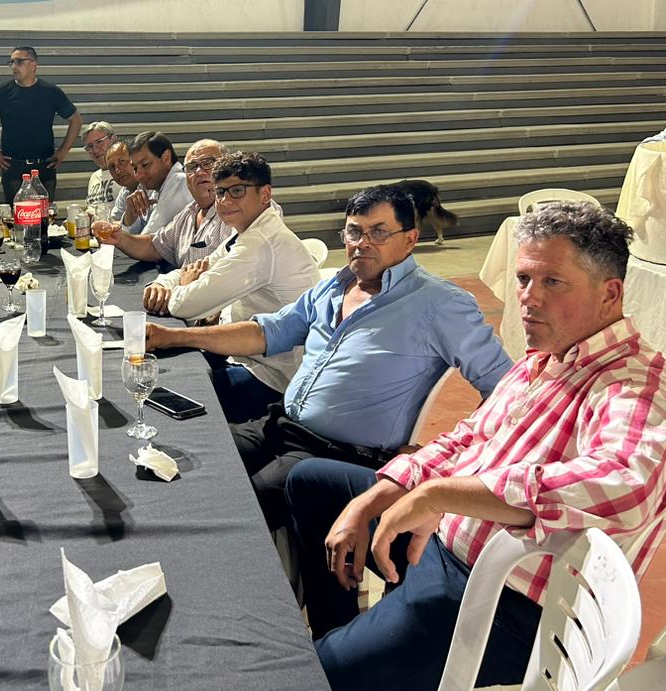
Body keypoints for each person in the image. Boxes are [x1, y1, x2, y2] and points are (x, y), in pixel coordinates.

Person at [285, 202, 666, 691]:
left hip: (506, 599)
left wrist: (439, 496)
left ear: (610, 294)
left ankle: (343, 674)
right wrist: (382, 494)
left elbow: (625, 485)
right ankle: (350, 657)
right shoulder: (544, 359)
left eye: (553, 282)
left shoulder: (637, 385)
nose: (529, 297)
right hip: (446, 544)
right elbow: (467, 438)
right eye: (523, 279)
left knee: (311, 682)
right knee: (313, 482)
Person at [147, 184, 512, 531]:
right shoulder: (335, 286)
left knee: (231, 505)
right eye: (354, 232)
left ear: (410, 239)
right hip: (280, 425)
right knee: (190, 457)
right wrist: (174, 336)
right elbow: (267, 332)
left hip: (334, 455)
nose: (362, 243)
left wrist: (446, 455)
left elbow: (506, 388)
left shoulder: (439, 303)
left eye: (379, 232)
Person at [146, 152, 320, 424]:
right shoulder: (246, 233)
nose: (225, 201)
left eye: (237, 191)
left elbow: (186, 305)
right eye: (220, 192)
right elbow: (194, 268)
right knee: (159, 370)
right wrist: (162, 282)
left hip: (271, 376)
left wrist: (183, 286)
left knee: (167, 388)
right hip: (239, 353)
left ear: (265, 194)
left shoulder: (262, 242)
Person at [93, 139, 234, 268]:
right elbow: (154, 245)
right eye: (192, 167)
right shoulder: (188, 213)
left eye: (208, 163)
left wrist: (169, 281)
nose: (199, 172)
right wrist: (118, 237)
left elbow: (223, 272)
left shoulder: (236, 213)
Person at [0, 46, 82, 203]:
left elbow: (75, 119)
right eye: (11, 62)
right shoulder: (1, 92)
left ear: (33, 65)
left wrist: (63, 151)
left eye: (19, 62)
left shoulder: (50, 91)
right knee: (16, 215)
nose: (14, 66)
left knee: (45, 215)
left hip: (44, 165)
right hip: (14, 166)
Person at [120, 131, 191, 234]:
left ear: (166, 158)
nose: (138, 175)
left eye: (145, 165)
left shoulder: (180, 182)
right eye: (135, 168)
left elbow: (148, 239)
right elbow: (133, 236)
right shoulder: (155, 188)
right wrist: (130, 215)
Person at [82, 121, 120, 213]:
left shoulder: (126, 171)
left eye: (99, 142)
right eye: (90, 146)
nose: (95, 150)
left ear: (113, 139)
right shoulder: (94, 177)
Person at [105, 140, 140, 222]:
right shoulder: (125, 192)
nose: (117, 171)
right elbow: (115, 220)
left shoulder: (152, 186)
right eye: (112, 167)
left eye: (122, 161)